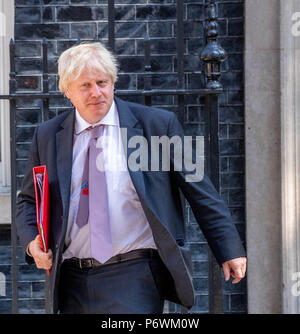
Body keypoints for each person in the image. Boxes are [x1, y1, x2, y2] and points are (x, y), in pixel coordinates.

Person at [16, 42, 246, 314]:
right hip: (69, 278)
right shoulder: (48, 135)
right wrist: (32, 243)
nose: (96, 93)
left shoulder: (157, 126)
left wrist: (229, 248)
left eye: (102, 82)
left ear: (113, 82)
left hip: (135, 273)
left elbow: (201, 191)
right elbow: (28, 200)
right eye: (85, 85)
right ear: (67, 91)